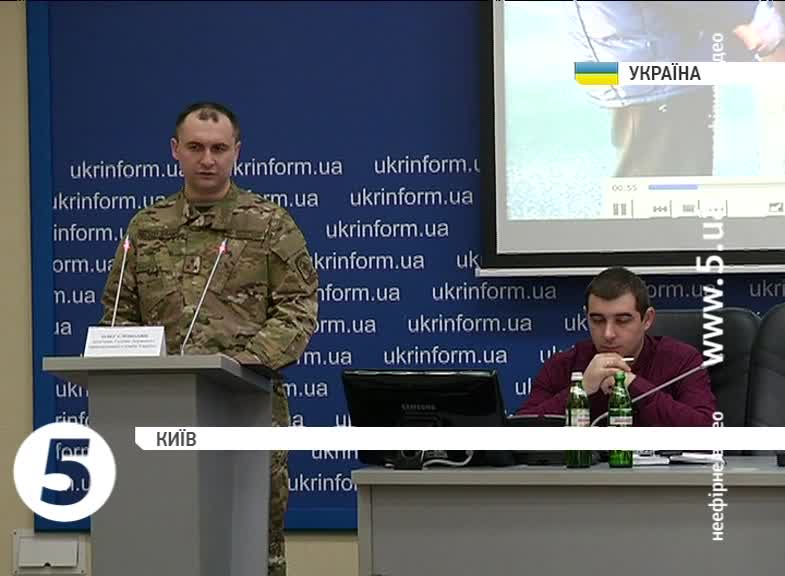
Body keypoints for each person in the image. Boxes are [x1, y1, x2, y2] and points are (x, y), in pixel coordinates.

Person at [98, 101, 319, 576]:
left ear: (237, 152)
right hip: (159, 411)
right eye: (195, 147)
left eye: (219, 149)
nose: (207, 159)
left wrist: (244, 364)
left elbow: (298, 309)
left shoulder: (269, 224)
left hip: (245, 406)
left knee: (250, 543)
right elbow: (120, 312)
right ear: (174, 150)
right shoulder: (146, 227)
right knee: (160, 539)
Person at [565, 0, 785, 177]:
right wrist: (746, 15)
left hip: (656, 66)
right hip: (652, 73)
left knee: (672, 198)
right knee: (660, 203)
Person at [516, 267, 715, 426]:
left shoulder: (682, 361)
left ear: (647, 319)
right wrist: (581, 390)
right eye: (597, 320)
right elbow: (518, 435)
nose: (608, 334)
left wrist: (634, 386)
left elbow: (708, 433)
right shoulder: (563, 365)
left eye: (622, 320)